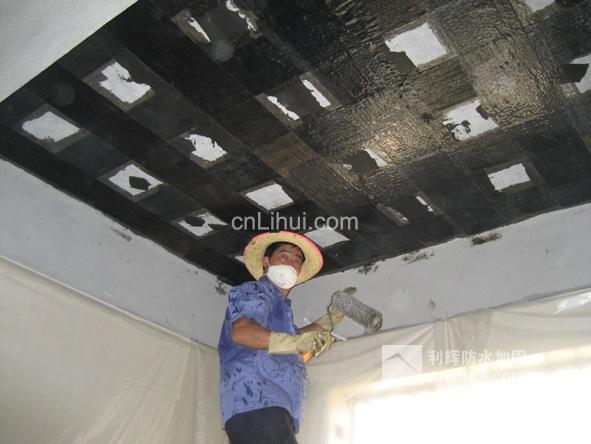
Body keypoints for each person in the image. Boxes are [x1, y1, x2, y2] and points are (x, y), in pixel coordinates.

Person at [218, 231, 345, 444]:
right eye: (284, 256)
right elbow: (242, 332)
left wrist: (329, 321)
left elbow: (290, 349)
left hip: (271, 408)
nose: (291, 263)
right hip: (256, 401)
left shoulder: (280, 310)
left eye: (297, 260)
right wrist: (298, 342)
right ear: (265, 261)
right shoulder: (256, 292)